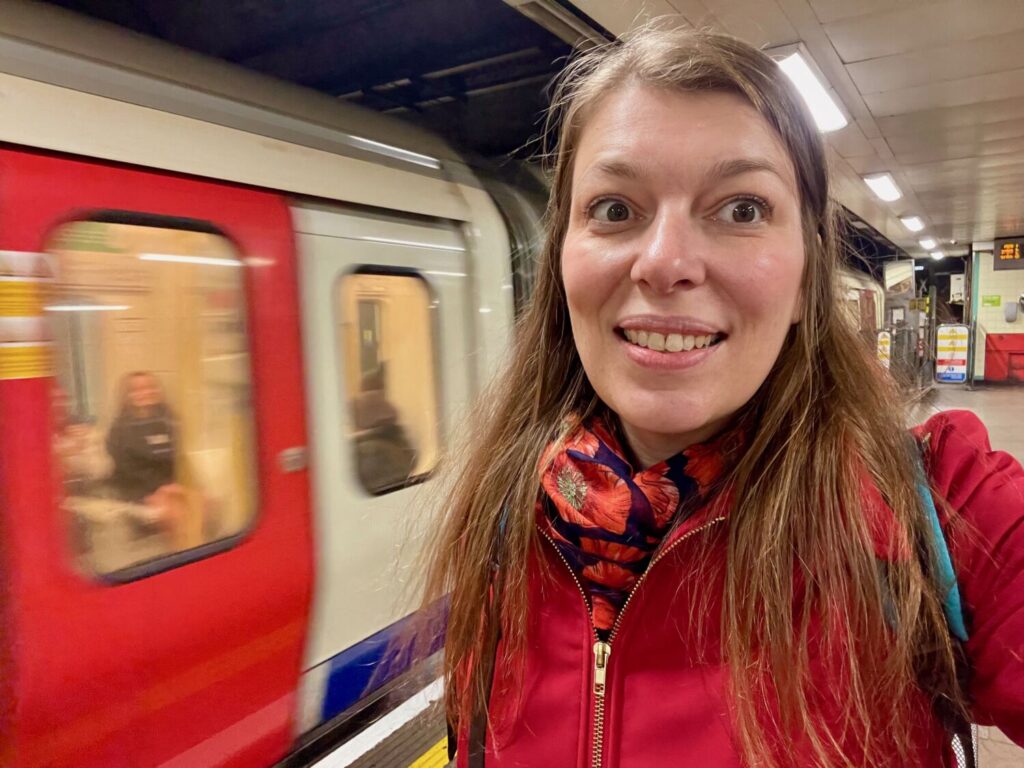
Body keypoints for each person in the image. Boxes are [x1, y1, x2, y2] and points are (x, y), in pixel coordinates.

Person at [419, 27, 1024, 768]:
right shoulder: (509, 518)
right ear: (563, 265)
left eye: (741, 209)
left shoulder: (943, 512)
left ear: (808, 277)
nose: (666, 261)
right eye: (614, 209)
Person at [106, 371, 188, 546]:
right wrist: (161, 491)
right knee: (178, 517)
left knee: (207, 505)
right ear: (127, 395)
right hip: (139, 493)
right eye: (137, 389)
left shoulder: (169, 421)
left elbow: (178, 460)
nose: (146, 392)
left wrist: (177, 486)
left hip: (172, 488)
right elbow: (127, 473)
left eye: (150, 387)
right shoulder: (119, 430)